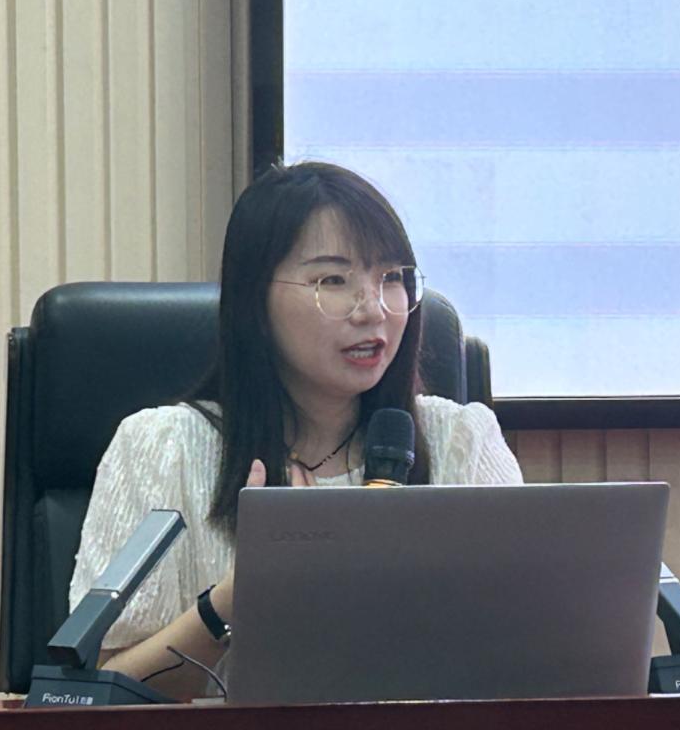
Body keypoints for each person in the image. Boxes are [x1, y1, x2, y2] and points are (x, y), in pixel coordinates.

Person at [68, 161, 523, 700]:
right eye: (333, 280)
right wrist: (235, 598)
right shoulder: (162, 449)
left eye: (391, 278)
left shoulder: (461, 441)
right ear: (254, 301)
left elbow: (530, 654)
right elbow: (96, 692)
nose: (373, 309)